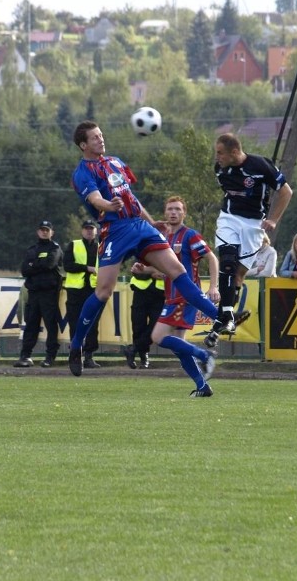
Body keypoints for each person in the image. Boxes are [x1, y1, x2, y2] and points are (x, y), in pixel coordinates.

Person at [68, 120, 223, 380]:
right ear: (83, 145)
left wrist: (152, 223)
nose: (101, 140)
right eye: (94, 138)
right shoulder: (82, 172)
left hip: (139, 226)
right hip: (114, 230)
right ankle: (76, 346)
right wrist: (109, 205)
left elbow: (131, 197)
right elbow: (95, 199)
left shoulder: (115, 162)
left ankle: (219, 318)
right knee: (103, 292)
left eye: (101, 135)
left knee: (177, 269)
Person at [208, 132, 293, 347]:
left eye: (220, 153)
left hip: (254, 225)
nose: (217, 157)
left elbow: (286, 192)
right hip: (229, 218)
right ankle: (227, 316)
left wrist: (273, 219)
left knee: (238, 275)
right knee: (227, 261)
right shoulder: (220, 169)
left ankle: (223, 320)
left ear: (234, 152)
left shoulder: (261, 166)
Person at [149, 196, 220, 396]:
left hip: (184, 297)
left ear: (184, 213)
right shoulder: (164, 239)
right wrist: (146, 269)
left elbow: (212, 258)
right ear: (164, 213)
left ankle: (205, 355)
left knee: (158, 336)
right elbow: (165, 271)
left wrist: (213, 286)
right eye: (170, 209)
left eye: (177, 209)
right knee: (180, 346)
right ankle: (202, 387)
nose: (173, 212)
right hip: (171, 297)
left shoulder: (190, 235)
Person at [15, 220, 63, 368]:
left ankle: (50, 356)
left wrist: (33, 264)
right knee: (31, 325)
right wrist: (39, 264)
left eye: (47, 230)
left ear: (52, 233)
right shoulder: (32, 248)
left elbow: (50, 264)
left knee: (51, 325)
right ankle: (25, 356)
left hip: (49, 293)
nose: (44, 232)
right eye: (42, 230)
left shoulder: (55, 248)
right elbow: (24, 270)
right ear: (38, 232)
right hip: (34, 293)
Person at [63, 219, 101, 368]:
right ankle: (75, 354)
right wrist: (87, 268)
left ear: (96, 231)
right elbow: (67, 265)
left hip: (93, 289)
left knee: (93, 323)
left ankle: (89, 356)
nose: (89, 231)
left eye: (91, 228)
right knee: (75, 322)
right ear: (82, 231)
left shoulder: (101, 247)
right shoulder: (74, 245)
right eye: (86, 228)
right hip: (75, 290)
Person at [123, 264, 165, 370]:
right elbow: (136, 270)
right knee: (138, 326)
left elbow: (170, 270)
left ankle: (133, 349)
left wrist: (154, 272)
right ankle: (143, 358)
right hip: (140, 290)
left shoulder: (170, 249)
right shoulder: (143, 249)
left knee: (156, 326)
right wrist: (152, 273)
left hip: (160, 293)